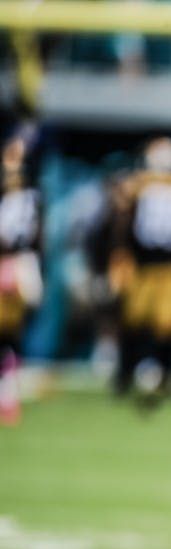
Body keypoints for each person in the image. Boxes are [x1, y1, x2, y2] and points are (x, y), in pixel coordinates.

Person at [108, 135, 171, 406]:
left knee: (168, 325)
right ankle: (126, 374)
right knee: (134, 321)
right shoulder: (138, 184)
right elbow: (123, 223)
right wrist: (120, 256)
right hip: (144, 263)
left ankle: (166, 376)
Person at [0, 128, 44, 426]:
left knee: (12, 332)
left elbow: (35, 237)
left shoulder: (32, 197)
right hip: (16, 261)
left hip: (17, 263)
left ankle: (8, 389)